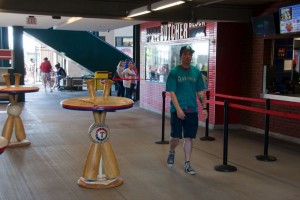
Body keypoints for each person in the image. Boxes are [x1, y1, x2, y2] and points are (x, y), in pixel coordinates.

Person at [166, 45, 208, 175]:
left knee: (189, 138)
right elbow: (172, 92)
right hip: (177, 110)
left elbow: (200, 91)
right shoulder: (174, 72)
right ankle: (172, 151)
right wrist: (178, 109)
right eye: (185, 54)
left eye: (190, 54)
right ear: (181, 56)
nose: (188, 56)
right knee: (176, 138)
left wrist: (204, 108)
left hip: (192, 110)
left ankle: (187, 164)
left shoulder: (196, 72)